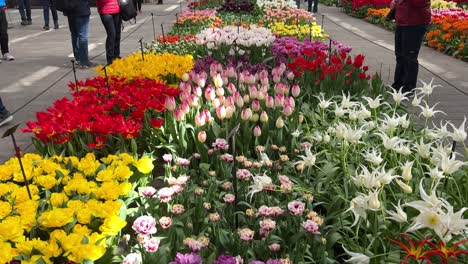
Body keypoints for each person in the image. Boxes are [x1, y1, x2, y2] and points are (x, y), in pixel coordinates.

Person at [391, 0, 431, 94]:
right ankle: (398, 85)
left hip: (415, 23)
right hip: (402, 20)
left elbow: (419, 2)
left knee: (409, 57)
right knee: (400, 55)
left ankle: (408, 88)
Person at [63, 0, 94, 69]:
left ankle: (78, 59)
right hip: (81, 9)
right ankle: (84, 62)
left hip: (70, 10)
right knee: (83, 36)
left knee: (75, 35)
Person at [96, 0, 121, 65]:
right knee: (112, 35)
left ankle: (116, 55)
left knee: (117, 35)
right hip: (106, 11)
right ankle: (110, 59)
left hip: (116, 10)